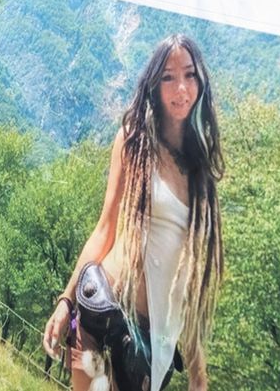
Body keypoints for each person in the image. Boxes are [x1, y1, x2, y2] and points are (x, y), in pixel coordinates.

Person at [42, 35, 224, 391]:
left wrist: (198, 373)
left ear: (200, 82)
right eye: (168, 77)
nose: (180, 88)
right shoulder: (132, 139)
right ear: (154, 84)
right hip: (101, 306)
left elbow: (191, 278)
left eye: (189, 75)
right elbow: (104, 228)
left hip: (151, 341)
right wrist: (65, 302)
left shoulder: (200, 176)